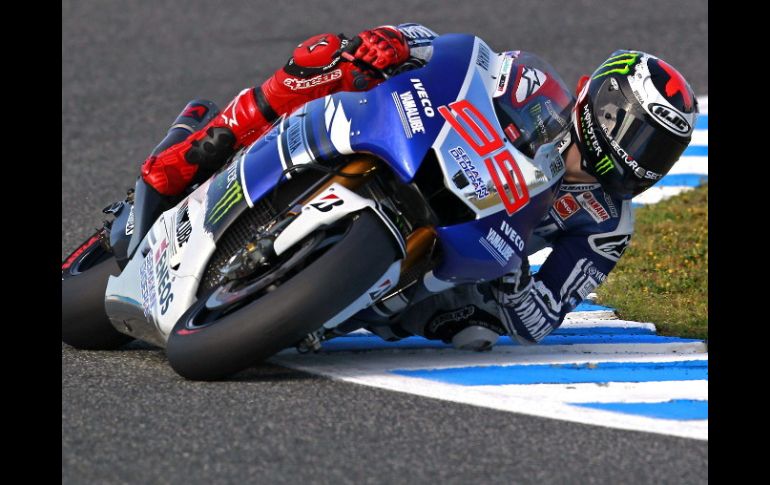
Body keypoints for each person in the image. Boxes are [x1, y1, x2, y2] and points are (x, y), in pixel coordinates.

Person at [139, 23, 698, 350]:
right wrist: (400, 44)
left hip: (463, 253)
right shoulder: (535, 87)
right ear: (609, 108)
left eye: (662, 149)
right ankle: (213, 139)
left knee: (469, 327)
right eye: (644, 137)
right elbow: (463, 59)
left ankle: (307, 310)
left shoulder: (609, 224)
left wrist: (513, 279)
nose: (647, 157)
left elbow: (541, 319)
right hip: (427, 154)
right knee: (331, 56)